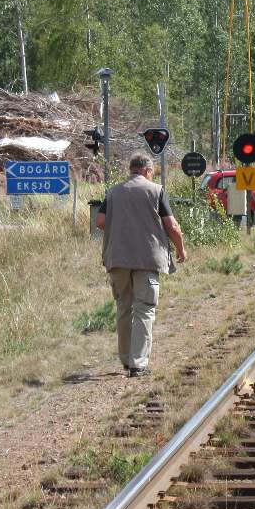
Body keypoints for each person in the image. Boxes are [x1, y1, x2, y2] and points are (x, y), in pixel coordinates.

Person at [95, 153, 188, 377]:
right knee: (145, 309)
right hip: (147, 259)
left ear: (131, 169)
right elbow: (171, 225)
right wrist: (180, 248)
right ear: (147, 170)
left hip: (117, 258)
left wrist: (121, 229)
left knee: (124, 308)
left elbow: (100, 221)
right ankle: (138, 363)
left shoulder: (114, 192)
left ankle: (126, 360)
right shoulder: (156, 190)